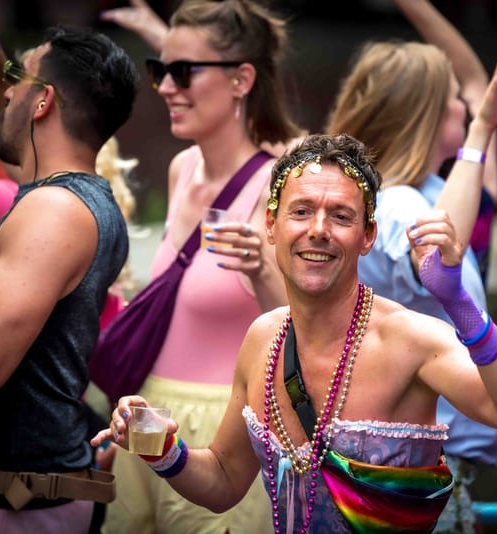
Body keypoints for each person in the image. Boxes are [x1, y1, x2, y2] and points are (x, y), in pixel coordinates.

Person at [91, 132, 497, 533]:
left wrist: (458, 302)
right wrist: (162, 448)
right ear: (271, 225)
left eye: (341, 217)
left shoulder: (412, 340)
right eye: (301, 211)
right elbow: (225, 480)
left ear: (368, 235)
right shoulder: (263, 338)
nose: (318, 230)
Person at [0, 0, 139, 529]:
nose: (4, 92)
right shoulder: (69, 197)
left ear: (42, 101)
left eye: (17, 79)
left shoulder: (54, 212)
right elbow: (5, 122)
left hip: (12, 509)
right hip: (18, 498)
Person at [325, 1, 497, 531]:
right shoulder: (396, 204)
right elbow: (437, 256)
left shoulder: (433, 189)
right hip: (413, 465)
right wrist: (481, 129)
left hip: (424, 455)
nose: (467, 107)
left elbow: (478, 91)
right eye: (456, 100)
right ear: (428, 115)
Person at [100, 1, 303, 532]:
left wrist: (262, 270)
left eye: (183, 71)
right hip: (146, 416)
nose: (166, 87)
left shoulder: (282, 181)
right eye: (160, 70)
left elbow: (303, 333)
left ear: (242, 80)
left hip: (222, 432)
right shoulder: (182, 168)